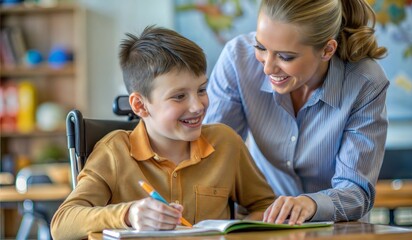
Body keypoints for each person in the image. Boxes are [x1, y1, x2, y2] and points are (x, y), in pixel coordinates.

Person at [50, 25, 275, 239]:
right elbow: (61, 225)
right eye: (179, 96)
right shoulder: (113, 152)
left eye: (202, 90)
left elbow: (266, 206)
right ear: (139, 105)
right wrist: (128, 215)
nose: (198, 106)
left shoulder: (226, 143)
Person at [204, 0, 389, 225]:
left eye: (285, 57)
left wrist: (310, 204)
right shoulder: (237, 60)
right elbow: (210, 159)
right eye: (261, 47)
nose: (267, 68)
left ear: (327, 50)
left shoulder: (365, 82)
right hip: (261, 223)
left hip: (336, 229)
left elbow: (356, 192)